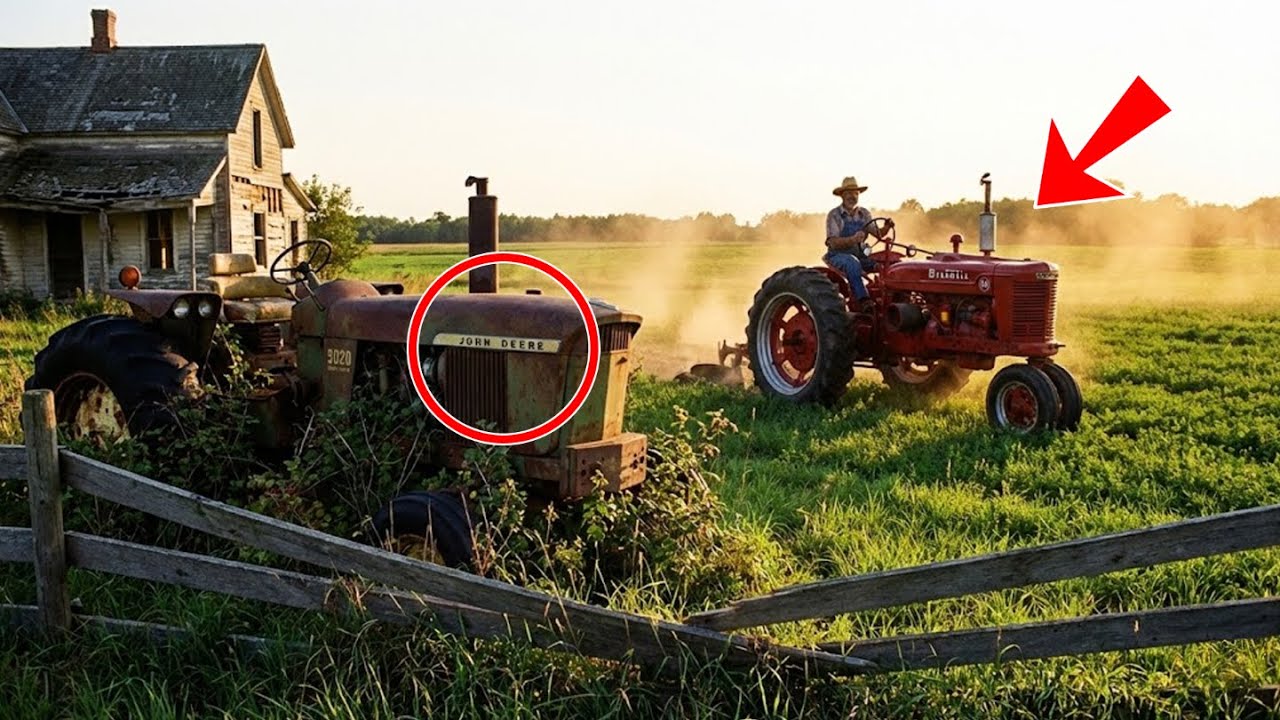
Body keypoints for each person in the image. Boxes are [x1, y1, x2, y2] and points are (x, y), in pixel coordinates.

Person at [824, 176, 893, 302]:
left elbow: (878, 233)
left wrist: (887, 227)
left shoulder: (864, 214)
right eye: (849, 193)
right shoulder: (835, 215)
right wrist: (853, 239)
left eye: (856, 193)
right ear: (842, 195)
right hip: (837, 255)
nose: (853, 196)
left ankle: (889, 298)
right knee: (852, 262)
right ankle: (863, 300)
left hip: (860, 255)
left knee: (887, 264)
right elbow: (832, 242)